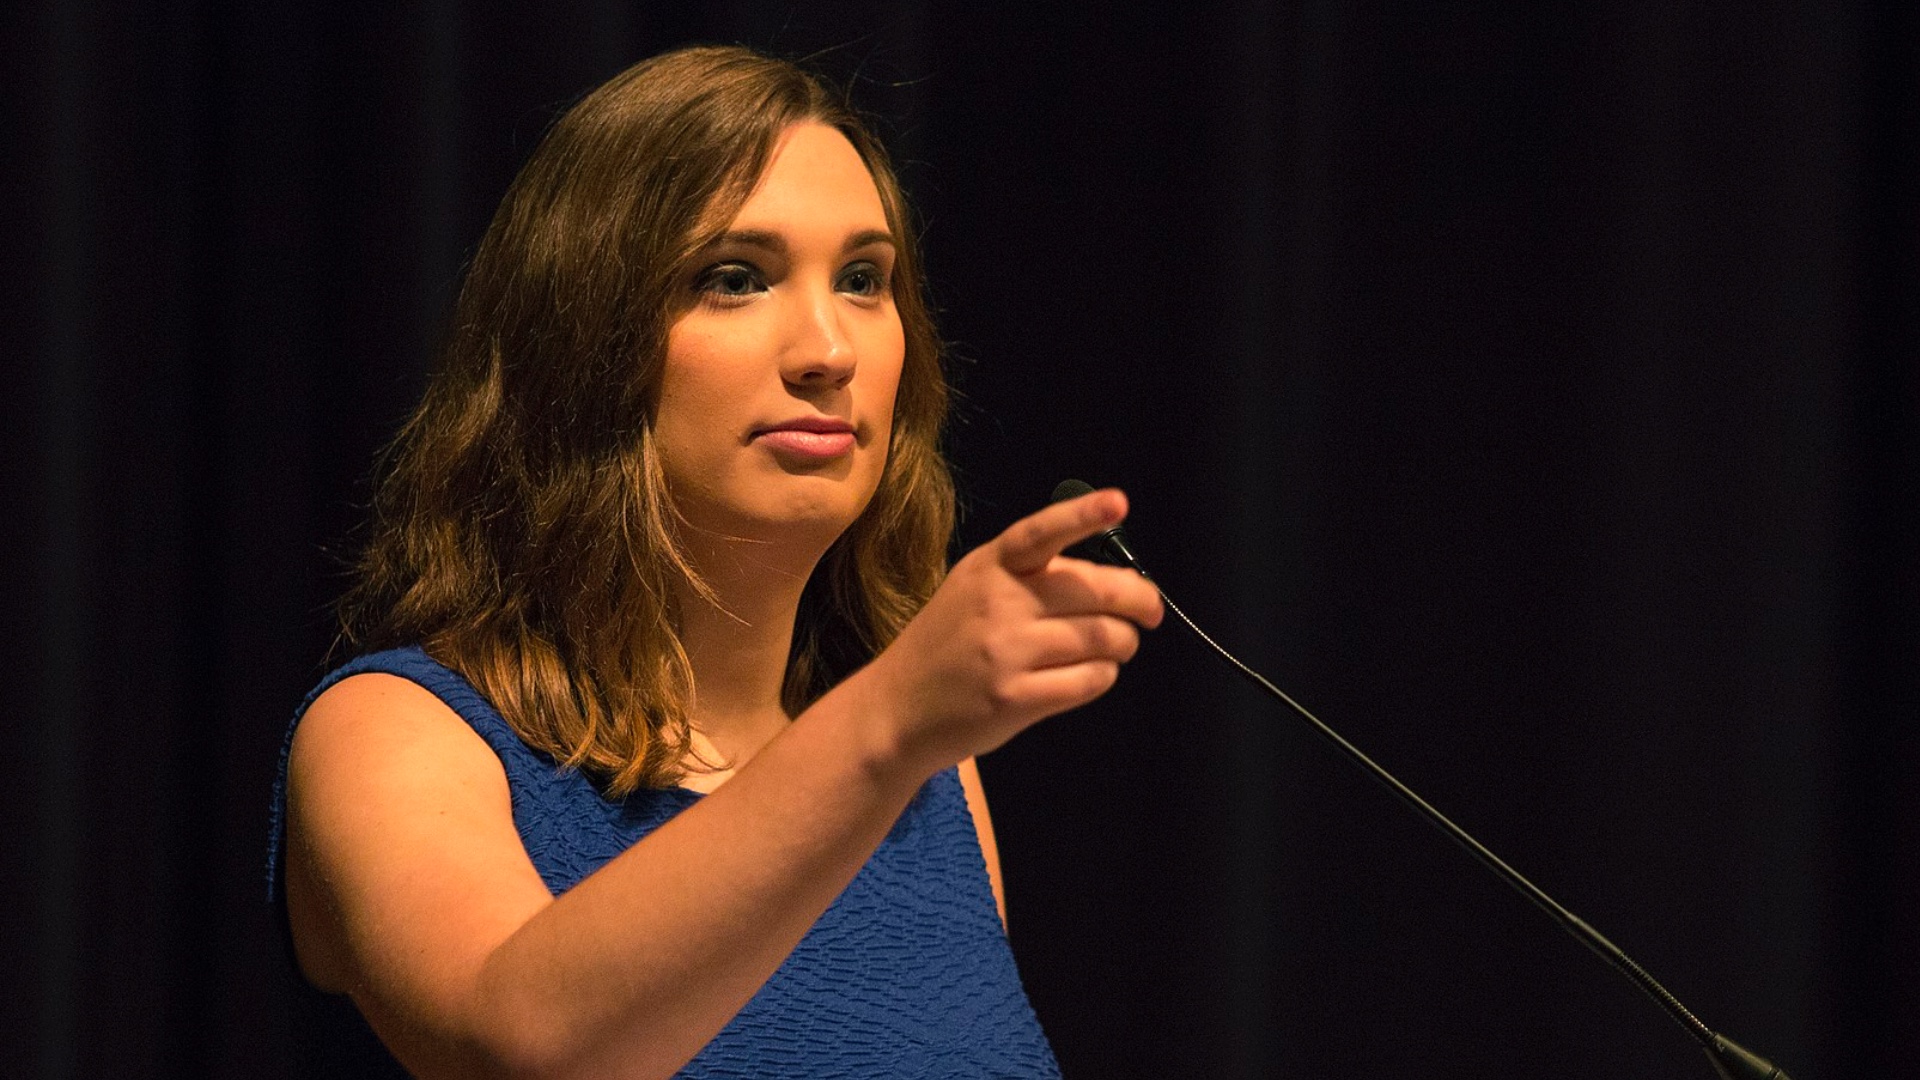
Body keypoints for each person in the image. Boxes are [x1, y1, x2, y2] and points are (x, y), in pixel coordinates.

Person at [268, 45, 1162, 1079]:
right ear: (584, 340)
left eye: (865, 280)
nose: (828, 348)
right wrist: (887, 725)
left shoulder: (934, 777)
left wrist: (898, 735)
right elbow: (520, 1052)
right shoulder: (398, 733)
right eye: (736, 280)